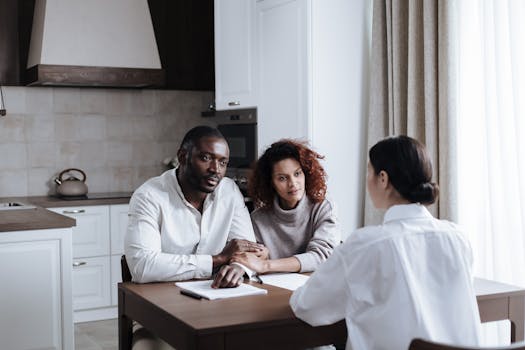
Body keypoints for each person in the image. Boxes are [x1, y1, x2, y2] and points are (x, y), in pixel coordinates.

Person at [289, 136, 482, 350]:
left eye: (369, 171)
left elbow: (308, 307)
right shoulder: (458, 237)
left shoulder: (366, 244)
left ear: (383, 178)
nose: (367, 179)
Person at [125, 125, 266, 349]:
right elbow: (143, 266)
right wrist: (218, 259)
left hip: (220, 305)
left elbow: (247, 251)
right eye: (206, 158)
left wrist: (240, 267)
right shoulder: (149, 196)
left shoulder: (229, 191)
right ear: (183, 156)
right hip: (161, 312)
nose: (216, 169)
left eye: (222, 162)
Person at [231, 139, 340, 275]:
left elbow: (321, 256)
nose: (293, 183)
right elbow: (252, 262)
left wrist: (266, 265)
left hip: (316, 288)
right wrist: (260, 257)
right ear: (271, 183)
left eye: (297, 174)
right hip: (274, 290)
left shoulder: (323, 207)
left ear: (306, 173)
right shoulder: (258, 219)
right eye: (282, 178)